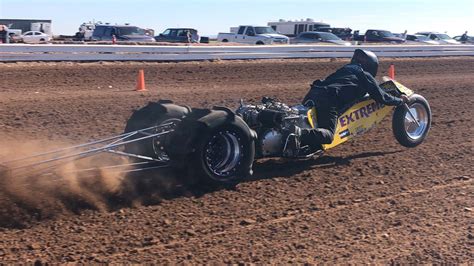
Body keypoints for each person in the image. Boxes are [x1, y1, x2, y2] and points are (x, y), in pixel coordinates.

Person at [283, 49, 409, 157]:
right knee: (328, 136)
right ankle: (297, 133)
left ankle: (292, 135)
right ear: (371, 65)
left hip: (314, 92)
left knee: (305, 121)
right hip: (329, 99)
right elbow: (381, 97)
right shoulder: (364, 75)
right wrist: (399, 101)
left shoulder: (344, 70)